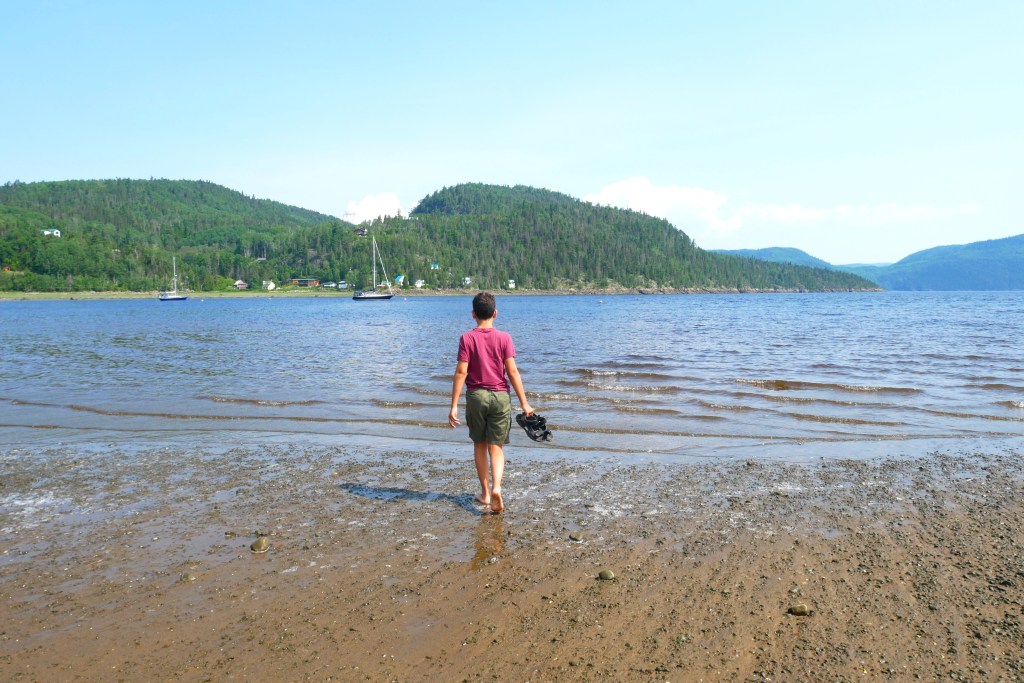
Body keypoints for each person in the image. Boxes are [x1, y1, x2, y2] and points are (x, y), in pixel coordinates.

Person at [449, 292, 534, 513]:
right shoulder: (504, 338)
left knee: (479, 444)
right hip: (500, 397)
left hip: (477, 396)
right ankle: (497, 487)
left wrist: (454, 405)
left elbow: (461, 372)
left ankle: (486, 494)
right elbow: (512, 371)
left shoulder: (467, 338)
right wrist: (525, 403)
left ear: (473, 314)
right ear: (495, 313)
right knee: (496, 446)